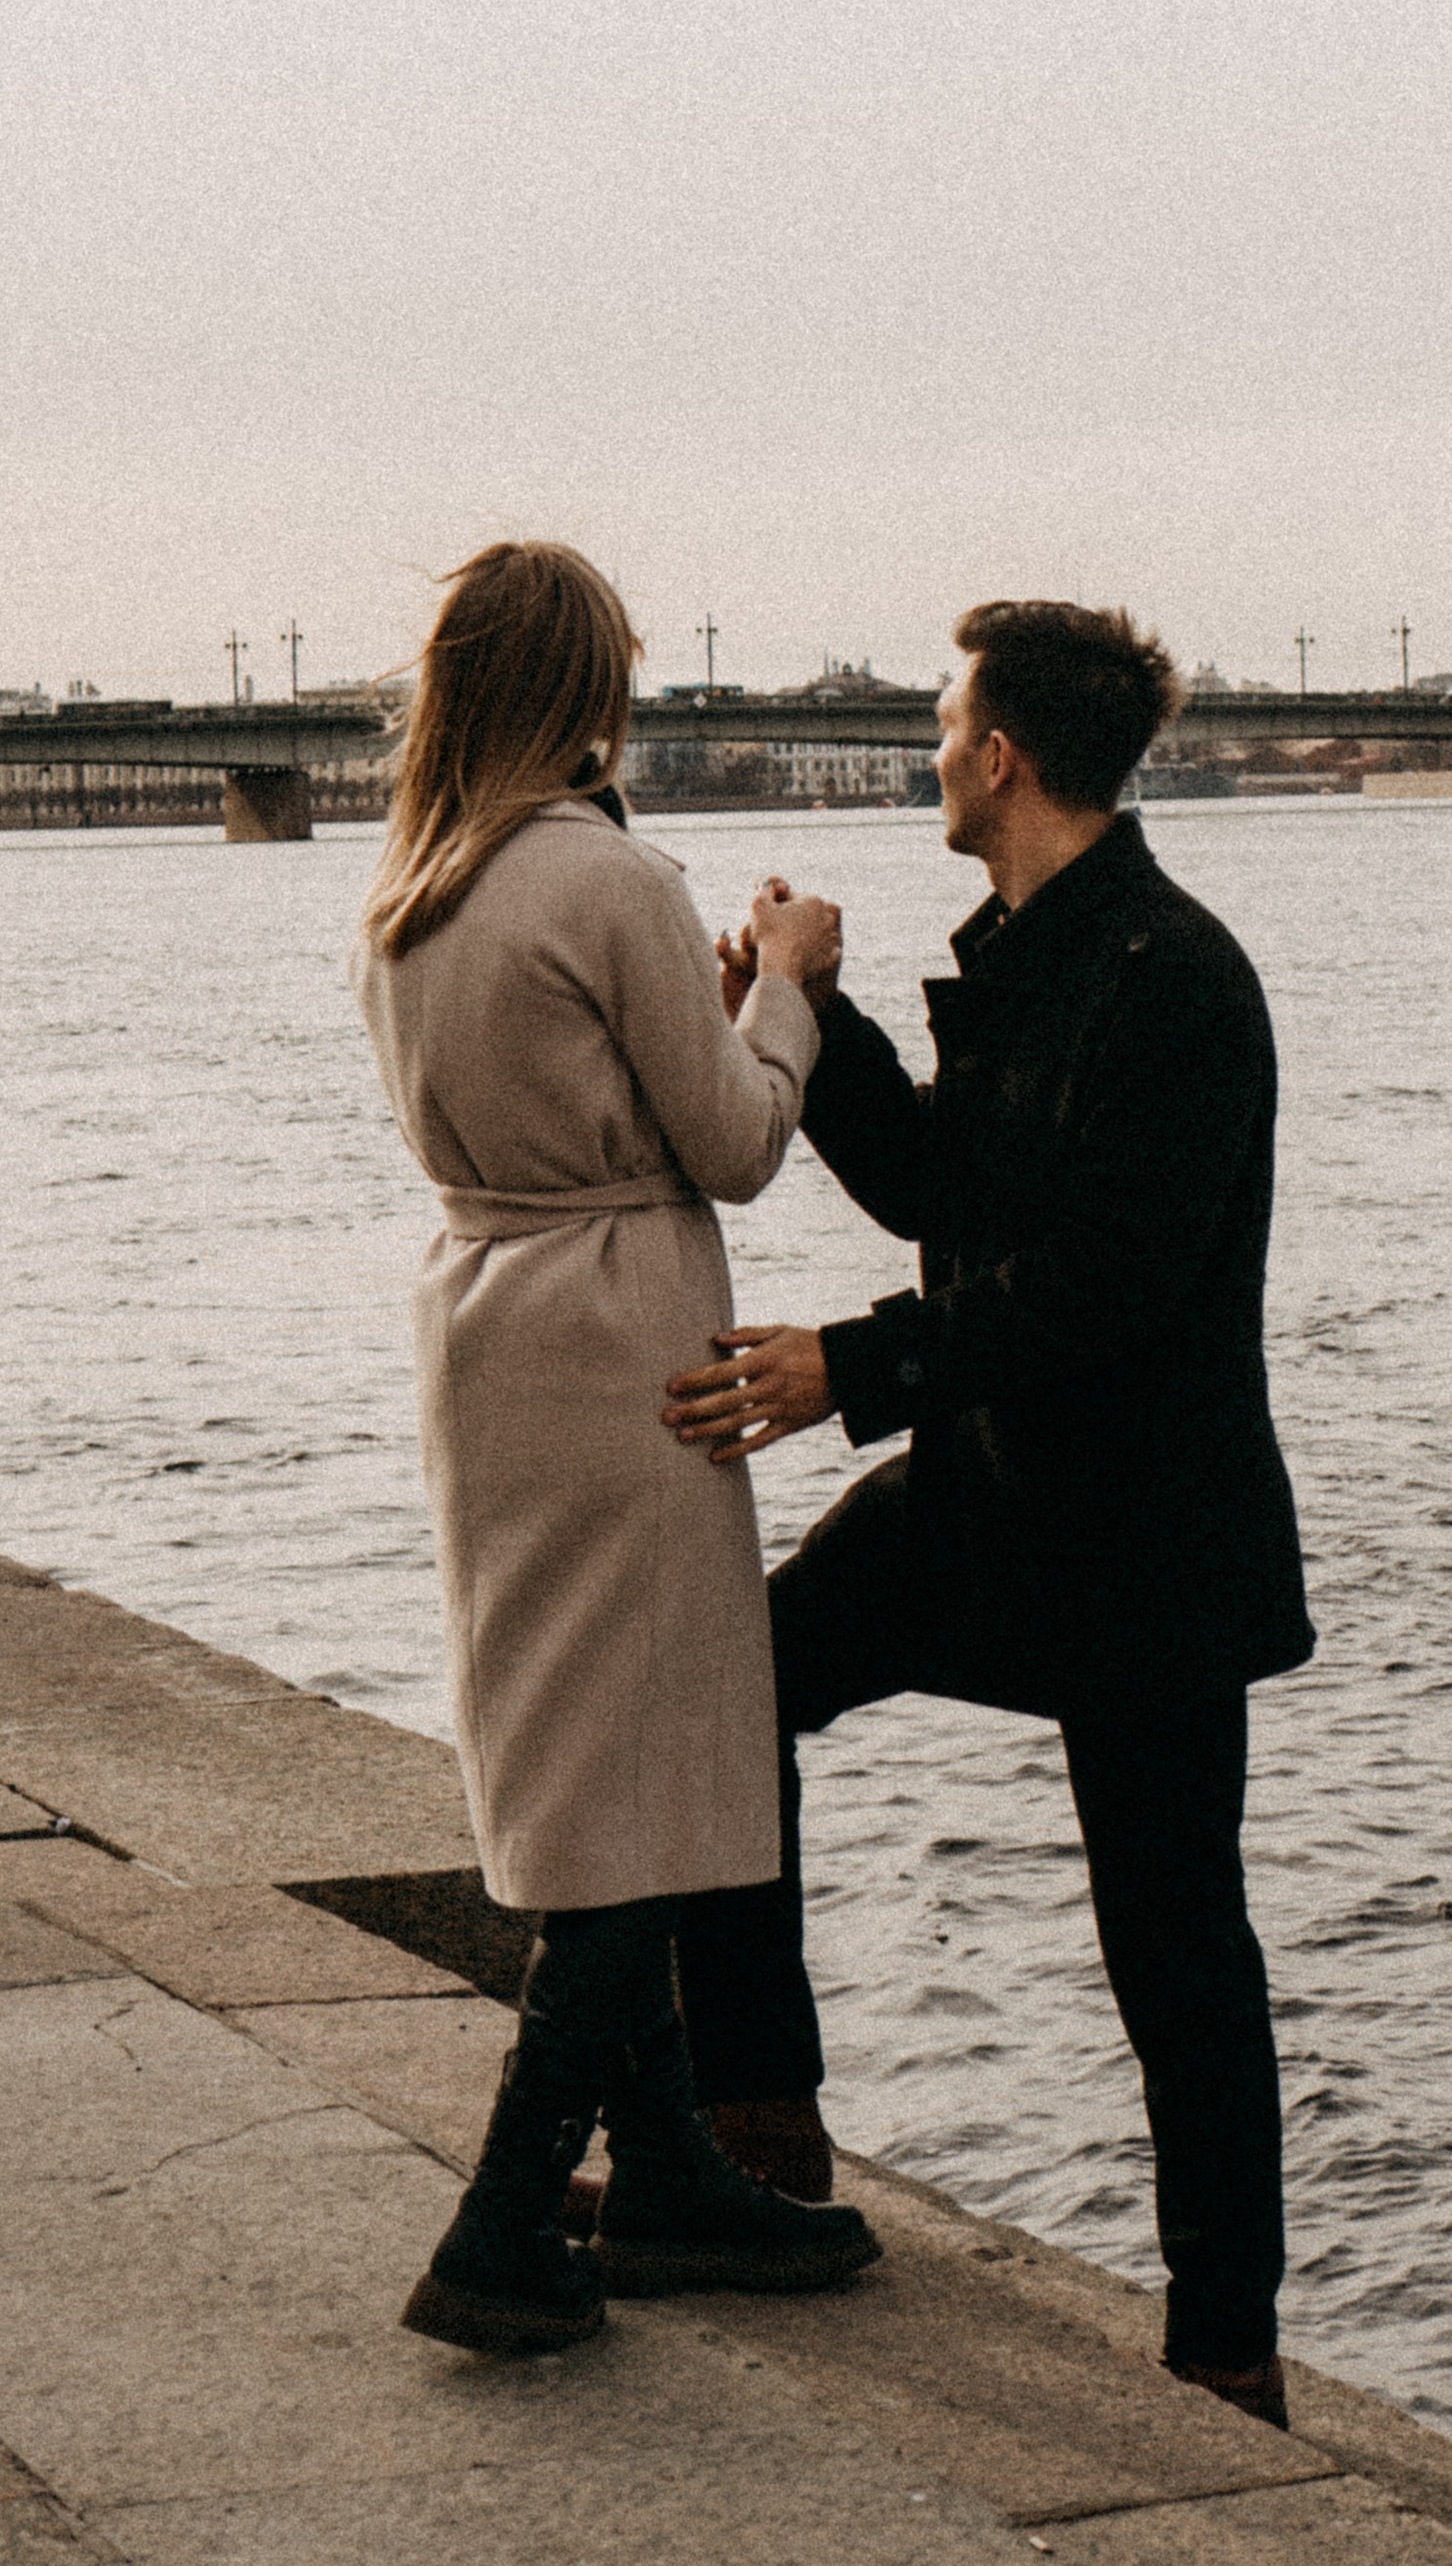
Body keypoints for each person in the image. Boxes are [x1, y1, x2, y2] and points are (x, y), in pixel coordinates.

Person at [659, 598, 1315, 2425]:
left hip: (1144, 1529)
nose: (933, 749)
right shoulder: (1042, 944)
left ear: (1004, 754)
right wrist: (807, 1009)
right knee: (736, 1693)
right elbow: (948, 1188)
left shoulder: (1178, 976)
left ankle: (1227, 2354)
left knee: (1174, 1942)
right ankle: (763, 2124)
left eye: (948, 724)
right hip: (996, 1492)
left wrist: (840, 1374)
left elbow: (1101, 1287)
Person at [353, 538, 881, 2355]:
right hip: (621, 1341)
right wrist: (789, 977)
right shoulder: (612, 878)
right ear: (592, 687)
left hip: (488, 1325)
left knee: (592, 1744)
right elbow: (735, 1141)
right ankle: (502, 2227)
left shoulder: (417, 890)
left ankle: (665, 2177)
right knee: (637, 1792)